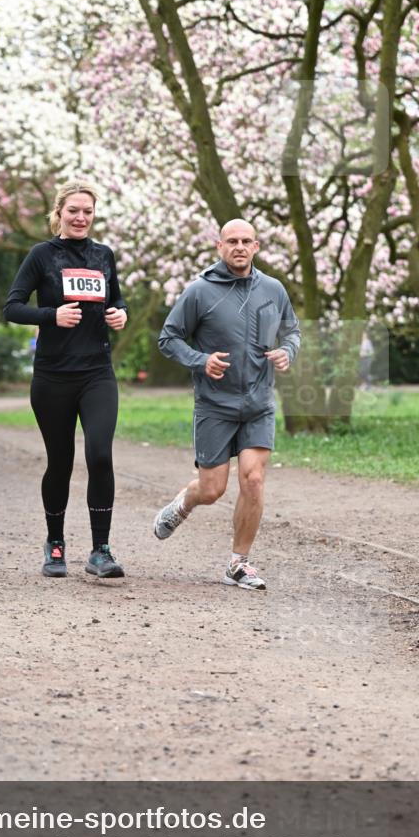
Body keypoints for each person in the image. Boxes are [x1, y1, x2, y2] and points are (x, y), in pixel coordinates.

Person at [153, 219, 300, 590]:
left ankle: (238, 564)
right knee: (212, 489)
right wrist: (201, 360)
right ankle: (184, 503)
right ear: (219, 246)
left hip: (258, 402)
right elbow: (168, 338)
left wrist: (287, 351)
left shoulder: (273, 289)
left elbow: (292, 330)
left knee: (252, 478)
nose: (239, 247)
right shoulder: (200, 291)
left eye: (246, 241)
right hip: (214, 405)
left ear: (256, 246)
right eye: (232, 241)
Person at [3, 179, 128, 579]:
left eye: (87, 212)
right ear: (59, 213)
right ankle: (55, 544)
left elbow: (116, 299)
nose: (80, 218)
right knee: (60, 463)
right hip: (53, 376)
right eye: (73, 210)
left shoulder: (103, 255)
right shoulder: (42, 255)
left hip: (97, 372)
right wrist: (50, 316)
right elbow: (13, 307)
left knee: (100, 455)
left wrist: (119, 314)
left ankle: (100, 550)